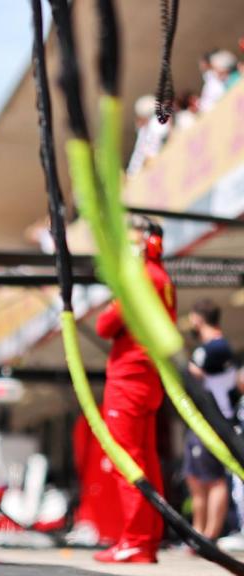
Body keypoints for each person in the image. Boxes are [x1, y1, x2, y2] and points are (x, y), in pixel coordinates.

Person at [92, 218, 176, 564]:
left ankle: (136, 541)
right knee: (146, 461)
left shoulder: (141, 277)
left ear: (146, 242)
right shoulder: (162, 277)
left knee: (128, 461)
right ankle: (147, 540)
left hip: (129, 377)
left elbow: (104, 325)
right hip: (149, 378)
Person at [181, 299, 235, 545]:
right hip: (200, 421)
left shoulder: (215, 347)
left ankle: (209, 535)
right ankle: (199, 533)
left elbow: (192, 374)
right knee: (195, 478)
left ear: (199, 318)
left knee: (213, 479)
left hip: (214, 419)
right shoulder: (209, 348)